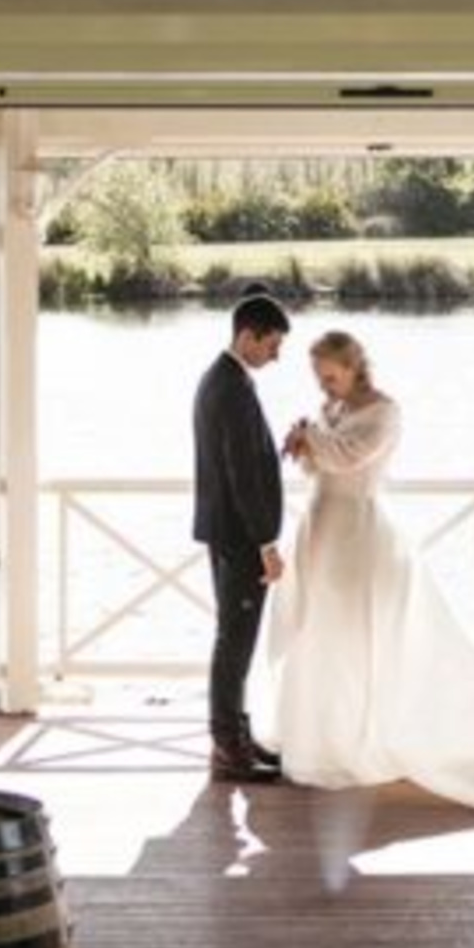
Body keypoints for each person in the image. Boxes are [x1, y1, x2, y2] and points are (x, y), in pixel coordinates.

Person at [264, 329, 474, 820]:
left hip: (356, 533)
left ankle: (371, 739)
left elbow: (348, 457)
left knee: (360, 636)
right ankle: (325, 740)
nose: (324, 387)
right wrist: (304, 444)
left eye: (331, 376)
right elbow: (321, 464)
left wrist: (311, 437)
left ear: (354, 367)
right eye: (318, 379)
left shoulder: (384, 412)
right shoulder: (332, 410)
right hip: (319, 527)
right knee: (320, 636)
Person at [190, 291, 292, 783]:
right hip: (238, 537)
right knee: (234, 641)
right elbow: (240, 475)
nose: (276, 355)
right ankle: (228, 748)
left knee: (235, 640)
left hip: (227, 531)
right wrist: (266, 544)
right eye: (272, 345)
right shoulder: (230, 388)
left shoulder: (222, 379)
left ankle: (235, 736)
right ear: (247, 335)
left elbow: (246, 462)